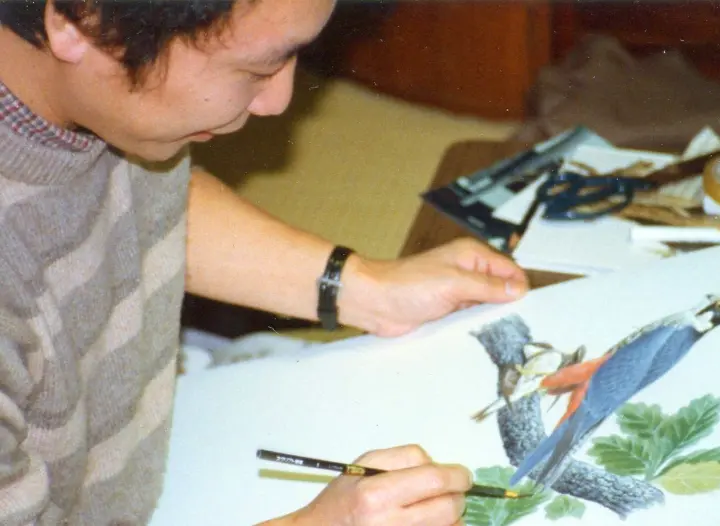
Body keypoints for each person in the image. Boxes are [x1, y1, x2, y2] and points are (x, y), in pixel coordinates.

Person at [0, 0, 529, 524]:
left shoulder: (102, 104)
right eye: (257, 69)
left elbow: (132, 202)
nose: (278, 101)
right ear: (78, 21)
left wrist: (363, 287)